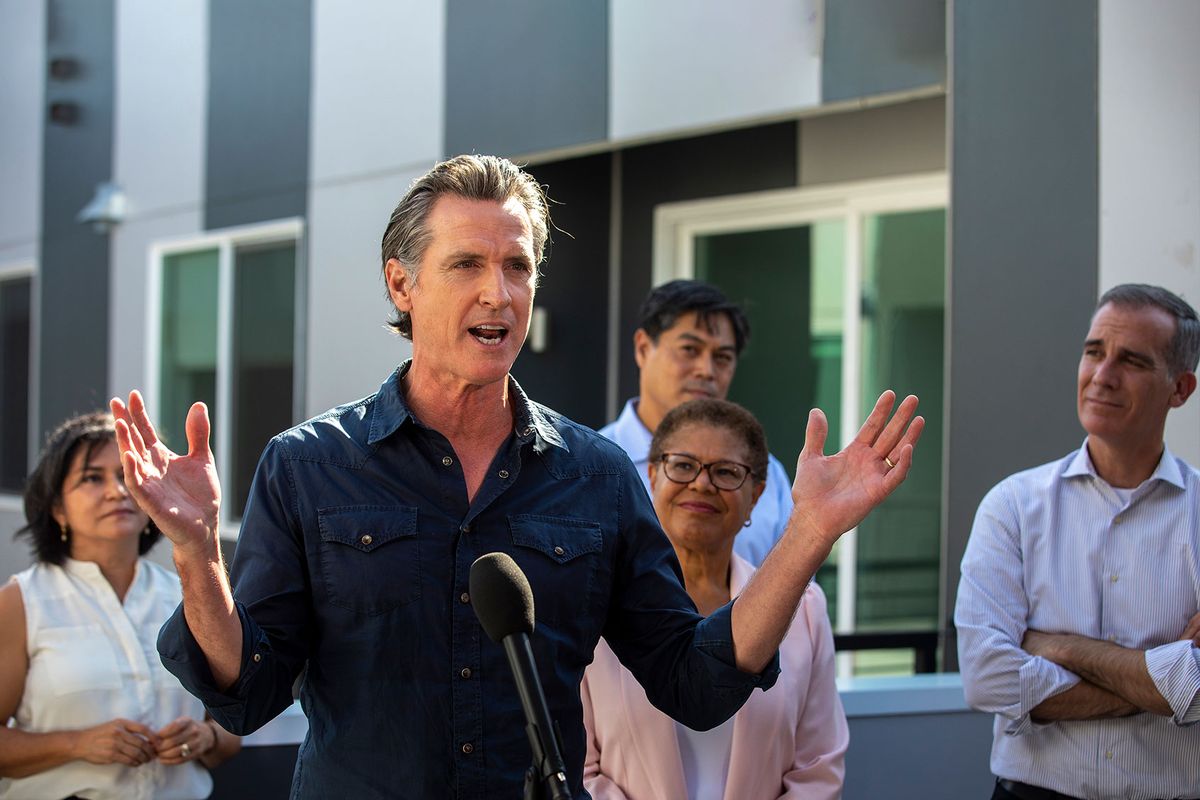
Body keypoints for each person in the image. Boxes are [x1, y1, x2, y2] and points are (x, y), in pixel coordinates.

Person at [111, 154, 922, 799]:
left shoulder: (597, 474)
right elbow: (244, 692)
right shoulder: (309, 464)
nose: (498, 294)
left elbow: (692, 681)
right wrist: (193, 552)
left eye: (518, 267)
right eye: (466, 263)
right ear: (402, 283)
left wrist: (809, 533)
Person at [956, 283, 1200, 800]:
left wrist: (1059, 648)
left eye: (1132, 361)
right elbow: (985, 679)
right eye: (1094, 352)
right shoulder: (1012, 507)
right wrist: (1162, 683)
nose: (1102, 376)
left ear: (1180, 389)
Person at [582, 398, 847, 799]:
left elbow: (818, 768)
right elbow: (577, 768)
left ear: (756, 496)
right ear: (652, 476)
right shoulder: (596, 600)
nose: (702, 484)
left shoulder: (805, 608)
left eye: (726, 472)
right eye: (683, 465)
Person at [0, 412, 240, 800]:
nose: (117, 491)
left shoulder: (186, 597)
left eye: (127, 476)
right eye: (92, 478)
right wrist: (76, 744)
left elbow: (232, 726)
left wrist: (205, 737)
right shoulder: (22, 602)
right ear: (57, 507)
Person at [599, 280, 794, 565]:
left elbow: (797, 597)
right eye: (690, 349)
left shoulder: (764, 474)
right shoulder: (590, 467)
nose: (706, 370)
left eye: (722, 357)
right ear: (642, 348)